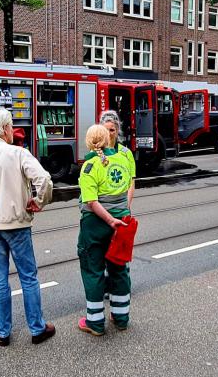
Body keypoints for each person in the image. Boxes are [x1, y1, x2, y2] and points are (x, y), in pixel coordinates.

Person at [0, 108, 55, 347]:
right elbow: (44, 180)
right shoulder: (18, 153)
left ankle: (3, 333)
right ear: (5, 129)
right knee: (28, 276)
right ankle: (37, 329)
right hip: (16, 224)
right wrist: (38, 201)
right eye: (11, 127)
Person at [76, 124, 134, 336]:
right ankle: (121, 318)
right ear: (108, 140)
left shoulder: (90, 166)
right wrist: (119, 216)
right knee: (119, 268)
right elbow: (128, 187)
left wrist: (109, 220)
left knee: (93, 270)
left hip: (96, 225)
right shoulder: (122, 160)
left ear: (89, 142)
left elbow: (91, 201)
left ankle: (95, 322)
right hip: (122, 223)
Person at [99, 110, 135, 208]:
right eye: (105, 130)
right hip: (102, 207)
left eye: (112, 130)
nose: (109, 133)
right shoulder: (96, 153)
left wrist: (126, 207)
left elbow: (131, 182)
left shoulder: (126, 153)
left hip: (122, 206)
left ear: (117, 130)